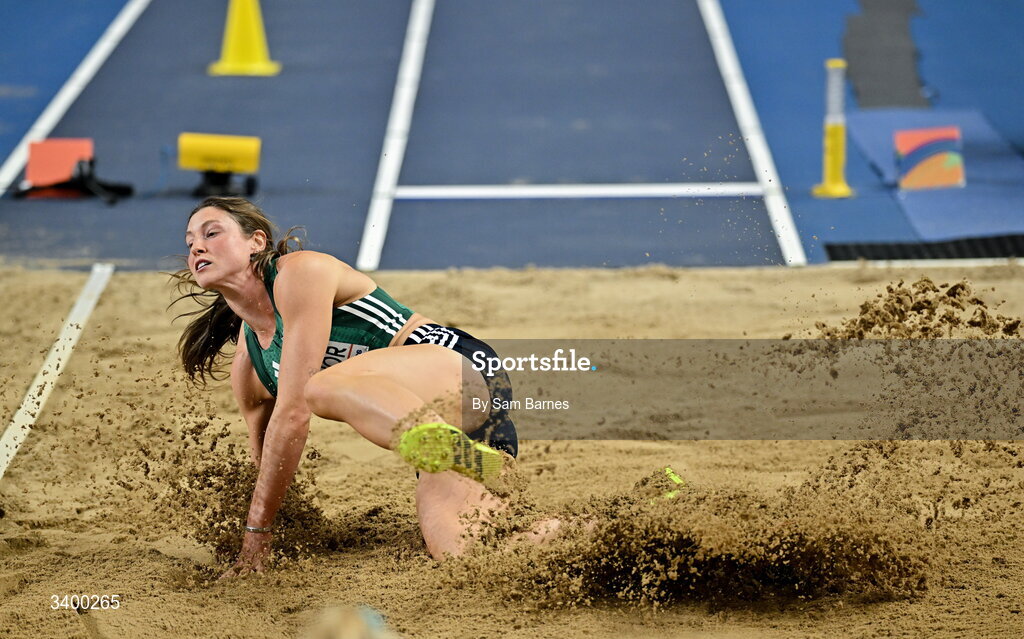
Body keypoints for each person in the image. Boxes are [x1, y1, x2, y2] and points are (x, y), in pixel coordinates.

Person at [174, 196, 526, 577]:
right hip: (463, 432)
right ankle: (590, 541)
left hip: (462, 370)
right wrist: (277, 534)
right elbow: (269, 458)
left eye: (212, 233)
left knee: (318, 388)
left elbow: (293, 415)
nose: (197, 246)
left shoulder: (300, 273)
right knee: (465, 550)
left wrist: (256, 534)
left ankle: (442, 447)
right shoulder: (249, 369)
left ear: (256, 242)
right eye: (190, 241)